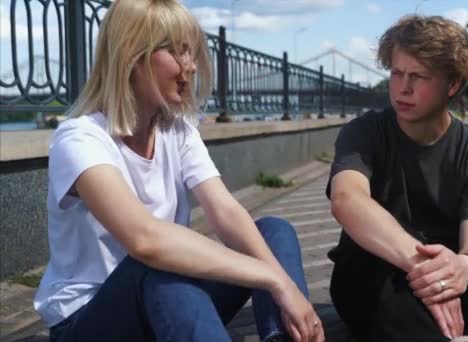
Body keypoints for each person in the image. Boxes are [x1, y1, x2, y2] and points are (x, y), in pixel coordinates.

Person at [33, 1, 324, 341]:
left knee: (272, 232)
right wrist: (274, 278)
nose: (191, 65)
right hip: (90, 321)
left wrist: (283, 283)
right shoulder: (80, 139)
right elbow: (146, 241)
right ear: (132, 55)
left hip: (166, 301)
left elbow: (225, 211)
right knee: (159, 266)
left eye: (191, 51)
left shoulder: (178, 129)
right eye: (175, 51)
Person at [325, 15, 468, 342]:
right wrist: (426, 268)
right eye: (396, 73)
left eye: (418, 76)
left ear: (453, 84)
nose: (403, 88)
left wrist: (465, 268)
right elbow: (347, 200)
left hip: (445, 273)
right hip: (370, 269)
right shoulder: (364, 132)